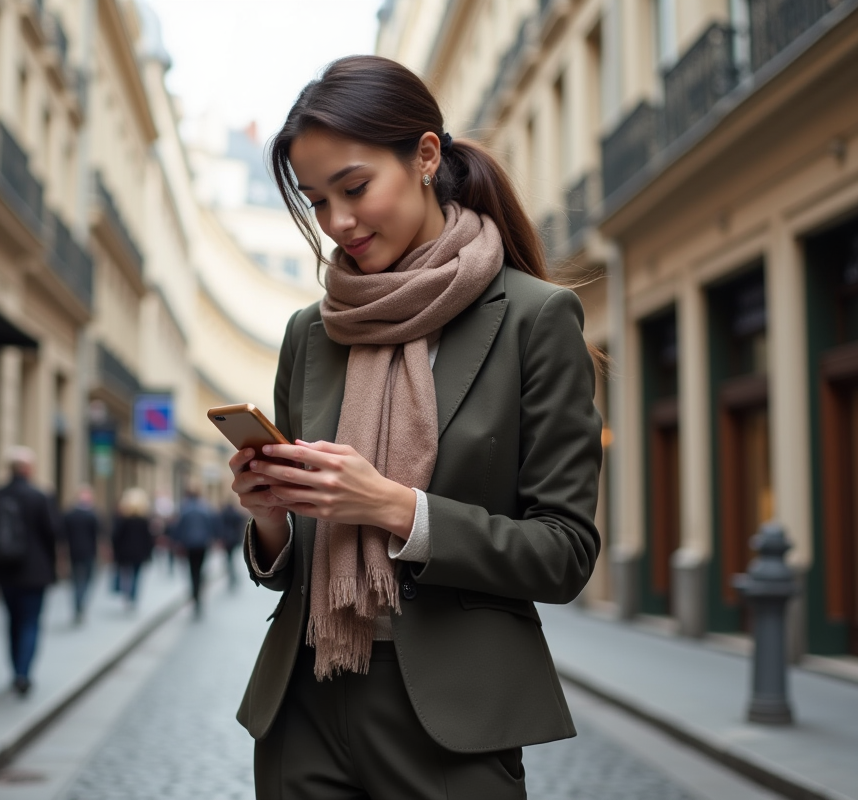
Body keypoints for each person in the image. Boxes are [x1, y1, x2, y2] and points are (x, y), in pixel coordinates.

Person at [229, 56, 603, 799]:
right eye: (316, 201)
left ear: (426, 156)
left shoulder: (533, 319)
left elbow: (565, 553)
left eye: (355, 188)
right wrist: (269, 518)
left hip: (452, 719)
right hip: (303, 701)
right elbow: (295, 556)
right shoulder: (311, 332)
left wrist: (395, 508)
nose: (337, 223)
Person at [0, 446, 58, 697]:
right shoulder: (39, 495)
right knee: (31, 622)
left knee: (12, 622)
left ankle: (15, 671)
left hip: (5, 572)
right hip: (35, 572)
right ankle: (23, 672)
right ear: (27, 469)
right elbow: (52, 533)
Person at [168, 487, 216, 617]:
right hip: (202, 545)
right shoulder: (204, 509)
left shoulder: (185, 510)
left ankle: (195, 594)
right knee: (199, 570)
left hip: (189, 545)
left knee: (192, 570)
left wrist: (176, 542)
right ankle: (198, 593)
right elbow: (210, 526)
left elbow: (178, 528)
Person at [61, 485, 100, 624]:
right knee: (85, 580)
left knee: (77, 580)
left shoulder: (69, 514)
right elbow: (99, 535)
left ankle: (78, 602)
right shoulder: (92, 515)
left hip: (75, 552)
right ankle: (80, 601)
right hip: (87, 552)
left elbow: (62, 535)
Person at [111, 487, 153, 610]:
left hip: (125, 552)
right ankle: (133, 595)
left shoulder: (123, 520)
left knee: (126, 574)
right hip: (139, 553)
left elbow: (116, 537)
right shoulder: (143, 521)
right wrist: (148, 553)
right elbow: (148, 539)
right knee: (136, 574)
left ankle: (127, 594)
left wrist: (116, 551)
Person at [216, 498, 245, 589]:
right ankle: (233, 575)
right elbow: (240, 525)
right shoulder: (235, 514)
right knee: (232, 558)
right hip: (234, 539)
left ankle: (231, 575)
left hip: (227, 539)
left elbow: (220, 526)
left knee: (229, 558)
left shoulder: (223, 514)